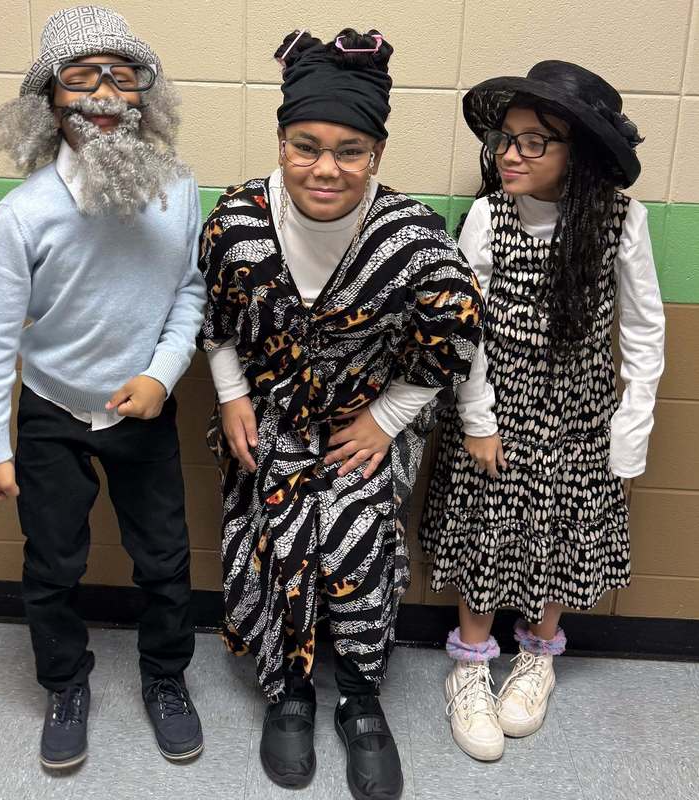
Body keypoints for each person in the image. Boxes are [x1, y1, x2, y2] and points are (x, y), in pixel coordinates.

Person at [198, 28, 483, 799]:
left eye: (350, 149)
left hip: (364, 427)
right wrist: (231, 397)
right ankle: (288, 691)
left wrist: (389, 418)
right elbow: (215, 321)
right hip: (270, 422)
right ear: (282, 140)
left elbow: (456, 334)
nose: (326, 167)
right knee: (273, 546)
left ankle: (359, 697)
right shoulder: (237, 223)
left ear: (377, 155)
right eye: (306, 144)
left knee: (360, 553)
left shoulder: (413, 238)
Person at [0, 5, 206, 769]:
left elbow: (190, 295)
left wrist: (161, 377)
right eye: (81, 76)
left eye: (122, 74)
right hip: (51, 411)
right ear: (50, 100)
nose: (104, 92)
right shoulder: (21, 215)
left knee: (166, 560)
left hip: (143, 410)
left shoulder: (179, 189)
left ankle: (166, 679)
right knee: (53, 564)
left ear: (144, 95)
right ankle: (65, 684)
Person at [420, 60, 665, 761]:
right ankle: (470, 664)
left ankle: (536, 656)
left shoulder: (622, 221)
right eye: (506, 138)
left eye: (535, 142)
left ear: (577, 155)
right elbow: (466, 329)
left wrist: (630, 427)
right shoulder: (489, 219)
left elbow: (645, 330)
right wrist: (479, 419)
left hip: (579, 416)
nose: (510, 154)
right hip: (499, 407)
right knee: (487, 530)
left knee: (556, 533)